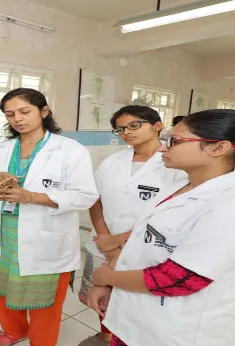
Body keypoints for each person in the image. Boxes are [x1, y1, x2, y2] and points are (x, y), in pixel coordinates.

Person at [88, 109, 235, 346]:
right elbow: (143, 246)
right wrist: (109, 283)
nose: (162, 148)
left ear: (218, 148)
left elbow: (177, 280)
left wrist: (108, 277)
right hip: (135, 320)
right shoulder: (180, 187)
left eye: (175, 142)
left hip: (176, 332)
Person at [0, 88, 99, 346]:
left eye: (24, 111)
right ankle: (13, 331)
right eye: (10, 114)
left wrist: (31, 197)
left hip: (45, 240)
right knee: (3, 291)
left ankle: (41, 341)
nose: (17, 119)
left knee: (45, 301)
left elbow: (85, 196)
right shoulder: (1, 149)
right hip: (2, 236)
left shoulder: (70, 150)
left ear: (44, 111)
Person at [77, 106, 186, 346]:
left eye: (134, 125)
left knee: (135, 302)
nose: (126, 132)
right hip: (103, 243)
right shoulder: (113, 160)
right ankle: (105, 336)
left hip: (146, 249)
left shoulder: (175, 164)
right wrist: (107, 241)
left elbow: (171, 213)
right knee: (103, 298)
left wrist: (118, 241)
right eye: (120, 128)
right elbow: (96, 201)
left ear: (157, 125)